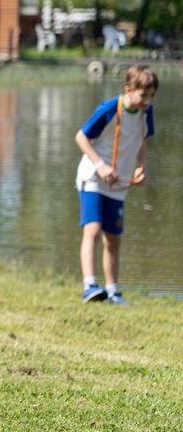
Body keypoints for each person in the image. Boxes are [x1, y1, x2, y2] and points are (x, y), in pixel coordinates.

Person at [74, 64, 157, 305]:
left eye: (151, 96)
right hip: (92, 176)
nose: (148, 101)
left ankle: (113, 291)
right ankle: (89, 285)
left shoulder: (145, 112)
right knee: (92, 229)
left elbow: (142, 141)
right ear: (128, 89)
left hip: (118, 183)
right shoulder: (111, 108)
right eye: (143, 95)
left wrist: (141, 167)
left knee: (113, 238)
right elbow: (81, 137)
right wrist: (100, 165)